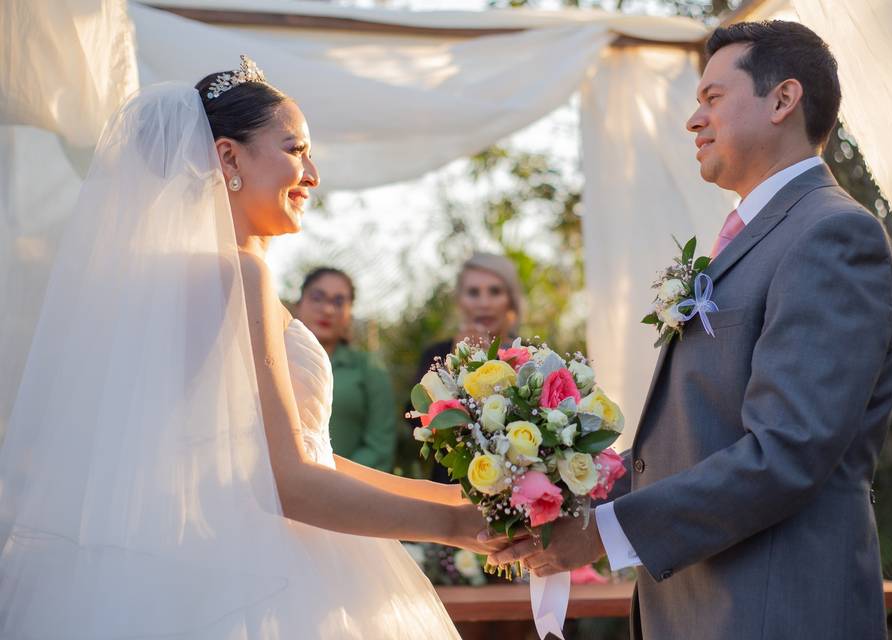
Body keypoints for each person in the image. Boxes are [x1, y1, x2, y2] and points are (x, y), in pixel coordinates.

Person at [0, 57, 502, 638]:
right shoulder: (240, 276)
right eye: (295, 149)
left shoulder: (172, 282)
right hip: (270, 578)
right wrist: (458, 528)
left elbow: (294, 456)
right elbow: (288, 482)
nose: (312, 172)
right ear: (228, 157)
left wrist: (464, 499)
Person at [491, 21, 892, 640]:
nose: (694, 119)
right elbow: (700, 436)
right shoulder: (754, 236)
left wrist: (604, 534)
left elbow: (786, 450)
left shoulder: (832, 235)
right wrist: (574, 491)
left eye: (713, 98)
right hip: (696, 605)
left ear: (783, 100)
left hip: (775, 609)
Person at [415, 253, 525, 482]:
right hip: (451, 484)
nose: (484, 303)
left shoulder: (529, 356)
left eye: (495, 291)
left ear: (510, 300)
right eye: (474, 292)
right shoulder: (436, 354)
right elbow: (416, 422)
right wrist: (454, 363)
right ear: (460, 300)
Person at [295, 267, 397, 472]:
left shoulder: (369, 369)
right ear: (299, 303)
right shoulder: (272, 359)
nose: (328, 310)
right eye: (317, 297)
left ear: (350, 312)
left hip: (347, 491)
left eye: (339, 302)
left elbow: (379, 445)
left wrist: (332, 479)